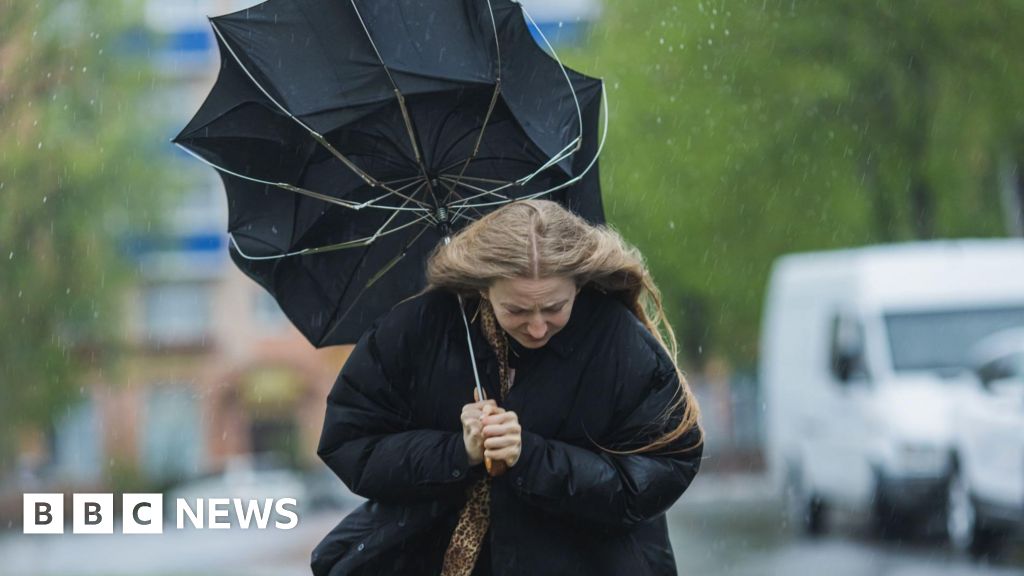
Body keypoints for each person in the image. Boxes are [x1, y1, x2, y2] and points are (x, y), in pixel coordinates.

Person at [312, 199, 703, 576]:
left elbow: (660, 472)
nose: (537, 327)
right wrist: (457, 451)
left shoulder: (618, 343)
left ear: (579, 286)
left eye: (554, 308)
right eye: (516, 310)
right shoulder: (416, 330)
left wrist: (531, 457)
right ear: (483, 287)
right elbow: (350, 443)